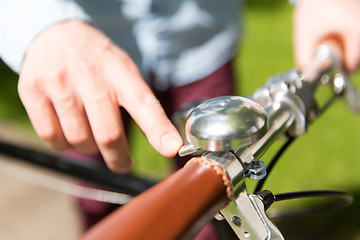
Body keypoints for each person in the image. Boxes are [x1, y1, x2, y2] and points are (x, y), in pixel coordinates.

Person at [1, 0, 360, 238]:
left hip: (201, 43)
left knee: (208, 209)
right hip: (82, 63)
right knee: (98, 201)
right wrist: (39, 25)